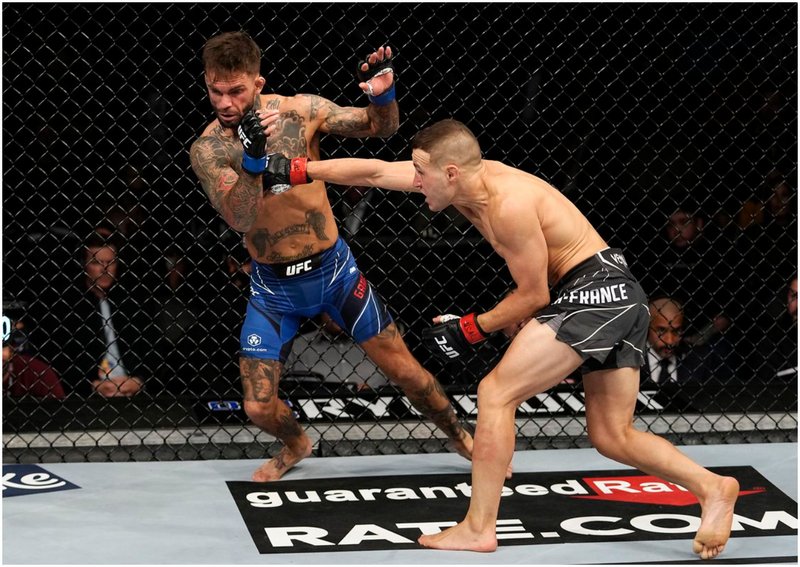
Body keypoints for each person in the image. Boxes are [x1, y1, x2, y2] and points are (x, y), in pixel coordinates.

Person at [264, 118, 740, 559]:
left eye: (422, 173)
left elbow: (534, 295)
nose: (416, 181)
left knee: (495, 393)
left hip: (593, 292)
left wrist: (470, 328)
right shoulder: (458, 179)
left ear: (451, 173)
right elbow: (373, 172)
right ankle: (712, 487)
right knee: (612, 436)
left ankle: (479, 527)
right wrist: (300, 170)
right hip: (617, 292)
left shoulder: (507, 204)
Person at [188, 31, 473, 482]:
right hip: (274, 291)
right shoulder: (208, 149)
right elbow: (240, 217)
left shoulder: (300, 112)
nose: (224, 102)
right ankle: (297, 443)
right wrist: (253, 160)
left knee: (410, 376)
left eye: (236, 91)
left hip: (335, 275)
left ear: (258, 83)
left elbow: (380, 127)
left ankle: (460, 436)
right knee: (258, 406)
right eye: (215, 91)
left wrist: (382, 96)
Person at [37, 231, 148, 397]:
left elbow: (152, 350)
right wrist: (92, 385)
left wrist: (139, 381)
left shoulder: (131, 303)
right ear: (84, 264)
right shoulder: (68, 307)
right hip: (88, 390)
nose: (105, 269)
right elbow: (58, 358)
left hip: (129, 383)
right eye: (96, 262)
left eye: (110, 262)